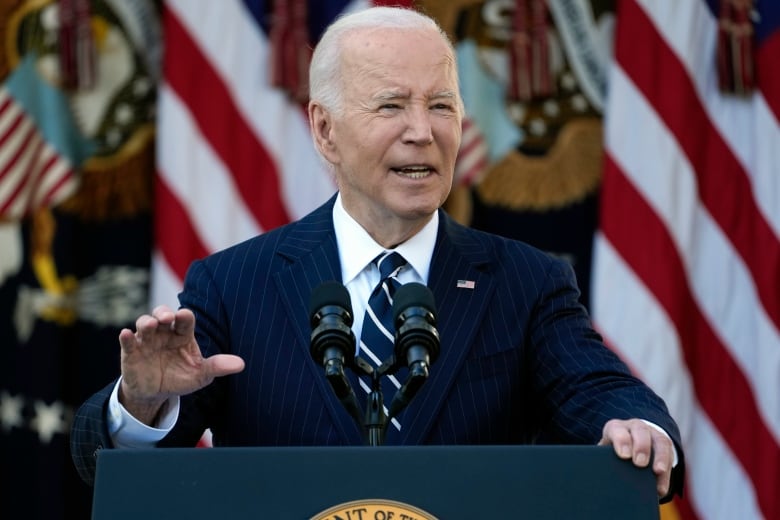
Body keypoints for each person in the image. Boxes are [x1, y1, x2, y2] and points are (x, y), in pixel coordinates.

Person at [70, 5, 684, 502]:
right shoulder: (236, 282)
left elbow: (598, 388)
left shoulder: (526, 281)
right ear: (325, 130)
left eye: (441, 104)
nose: (423, 129)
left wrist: (636, 427)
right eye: (391, 105)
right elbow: (112, 465)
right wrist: (143, 403)